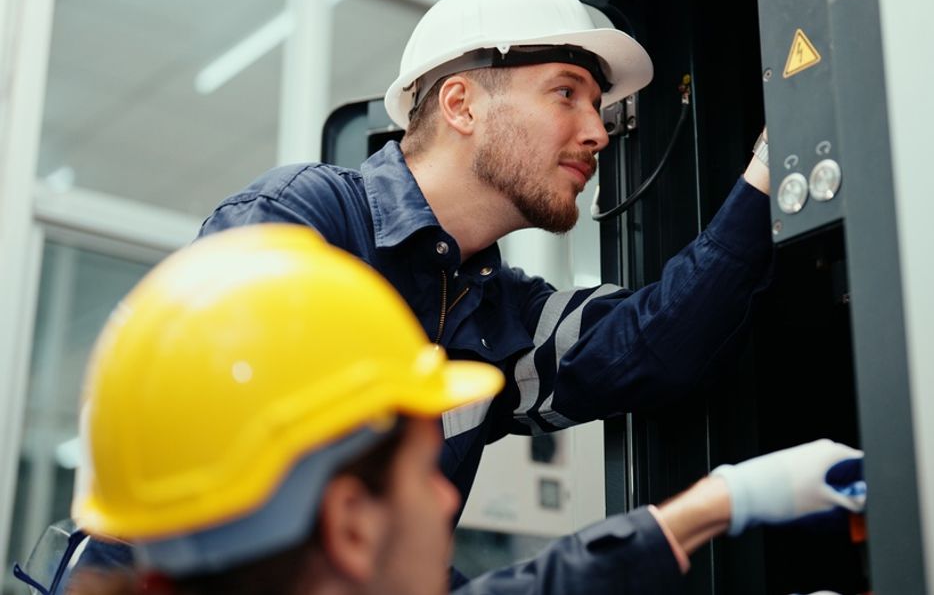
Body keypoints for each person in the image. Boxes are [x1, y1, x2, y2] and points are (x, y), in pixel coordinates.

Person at [196, 0, 776, 554]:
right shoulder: (301, 221)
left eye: (599, 108)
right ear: (461, 105)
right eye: (566, 93)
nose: (599, 133)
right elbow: (241, 507)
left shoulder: (498, 313)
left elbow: (656, 342)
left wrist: (768, 175)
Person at [26, 225, 864, 595]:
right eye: (422, 472)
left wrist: (722, 503)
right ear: (351, 524)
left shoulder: (488, 299)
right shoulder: (308, 222)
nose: (446, 494)